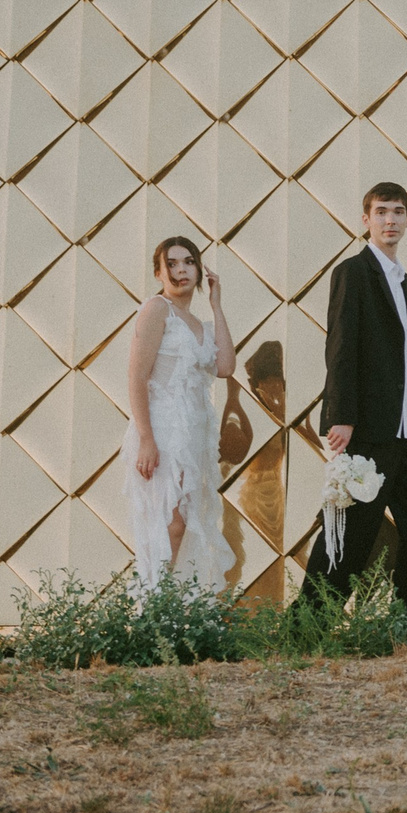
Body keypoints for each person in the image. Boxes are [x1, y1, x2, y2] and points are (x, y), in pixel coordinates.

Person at [304, 182, 407, 603]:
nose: (390, 220)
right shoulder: (353, 272)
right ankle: (307, 625)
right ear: (365, 220)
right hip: (367, 432)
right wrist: (340, 416)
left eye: (398, 212)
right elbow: (341, 347)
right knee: (349, 536)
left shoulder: (405, 282)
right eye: (381, 212)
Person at [121, 236, 237, 594]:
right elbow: (136, 377)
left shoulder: (199, 322)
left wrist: (216, 306)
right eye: (171, 264)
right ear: (159, 272)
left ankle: (178, 608)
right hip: (162, 430)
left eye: (188, 261)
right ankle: (156, 608)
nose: (181, 269)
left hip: (193, 434)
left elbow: (225, 366)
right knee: (168, 524)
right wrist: (146, 439)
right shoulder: (157, 309)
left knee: (185, 523)